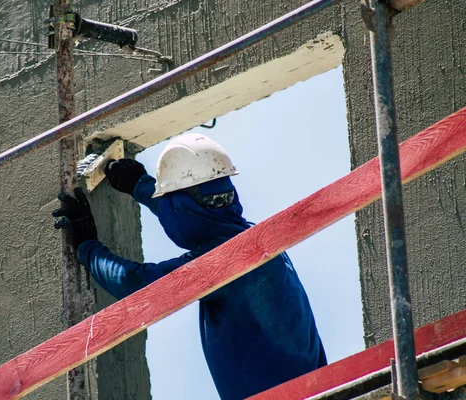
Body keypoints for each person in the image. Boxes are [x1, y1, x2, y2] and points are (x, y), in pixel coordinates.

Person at [53, 133, 327, 400]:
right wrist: (140, 184)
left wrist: (88, 247)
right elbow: (194, 208)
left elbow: (138, 285)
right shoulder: (256, 241)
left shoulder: (225, 263)